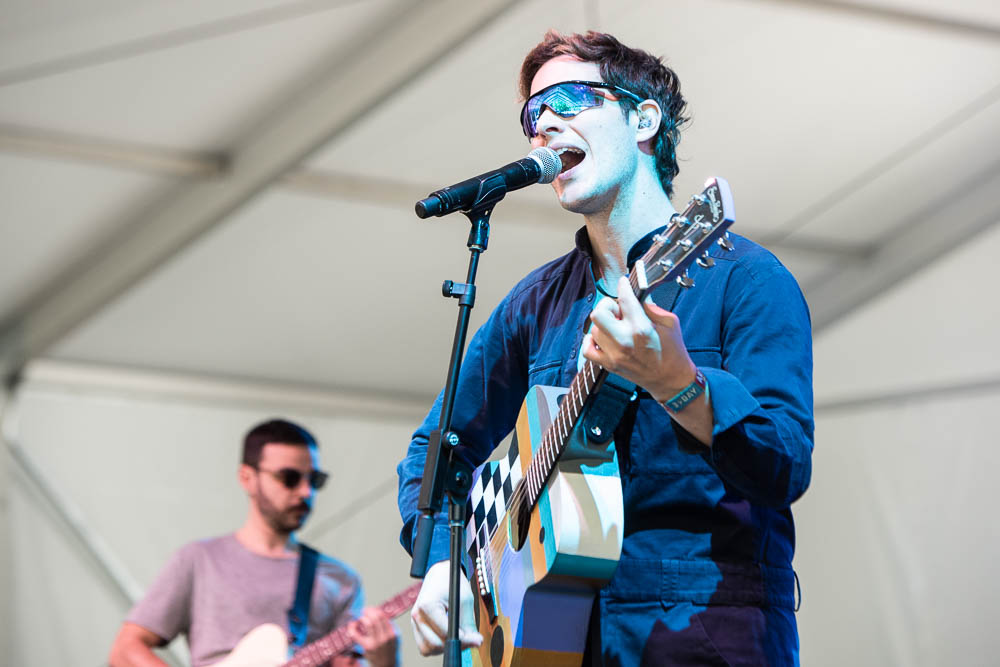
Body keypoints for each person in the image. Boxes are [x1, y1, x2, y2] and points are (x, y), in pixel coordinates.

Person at [397, 30, 814, 666]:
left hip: (703, 632)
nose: (543, 126)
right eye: (533, 114)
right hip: (552, 642)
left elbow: (784, 464)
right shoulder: (534, 304)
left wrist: (679, 384)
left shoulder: (747, 279)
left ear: (644, 119)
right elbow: (437, 447)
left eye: (568, 100)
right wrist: (441, 565)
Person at [109, 418, 400, 667]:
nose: (305, 492)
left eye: (314, 480)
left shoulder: (340, 579)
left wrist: (387, 662)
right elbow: (126, 649)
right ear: (247, 478)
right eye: (289, 478)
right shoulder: (198, 559)